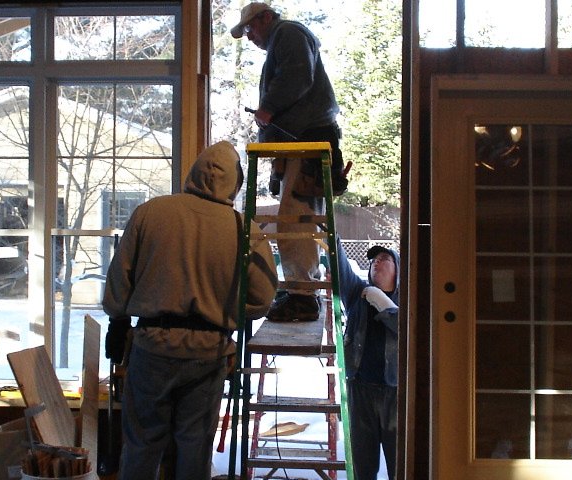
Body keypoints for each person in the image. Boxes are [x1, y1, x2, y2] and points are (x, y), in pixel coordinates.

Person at [102, 140, 278, 480]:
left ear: (193, 172)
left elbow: (119, 280)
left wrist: (118, 318)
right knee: (194, 449)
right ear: (235, 184)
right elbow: (261, 300)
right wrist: (225, 305)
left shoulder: (150, 212)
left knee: (141, 445)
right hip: (208, 351)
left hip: (152, 345)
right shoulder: (244, 229)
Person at [231, 2, 348, 322]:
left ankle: (302, 295)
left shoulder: (288, 33)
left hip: (304, 141)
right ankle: (301, 288)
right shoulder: (285, 37)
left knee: (295, 218)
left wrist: (268, 107)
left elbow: (297, 75)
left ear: (266, 18)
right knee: (299, 216)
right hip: (303, 140)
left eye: (251, 28)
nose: (250, 36)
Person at [337, 236, 399, 479]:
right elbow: (340, 266)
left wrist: (383, 304)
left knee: (400, 465)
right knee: (362, 467)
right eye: (373, 260)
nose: (376, 263)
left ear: (398, 269)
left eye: (384, 259)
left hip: (395, 394)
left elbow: (407, 330)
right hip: (360, 390)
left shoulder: (408, 299)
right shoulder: (357, 293)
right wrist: (332, 234)